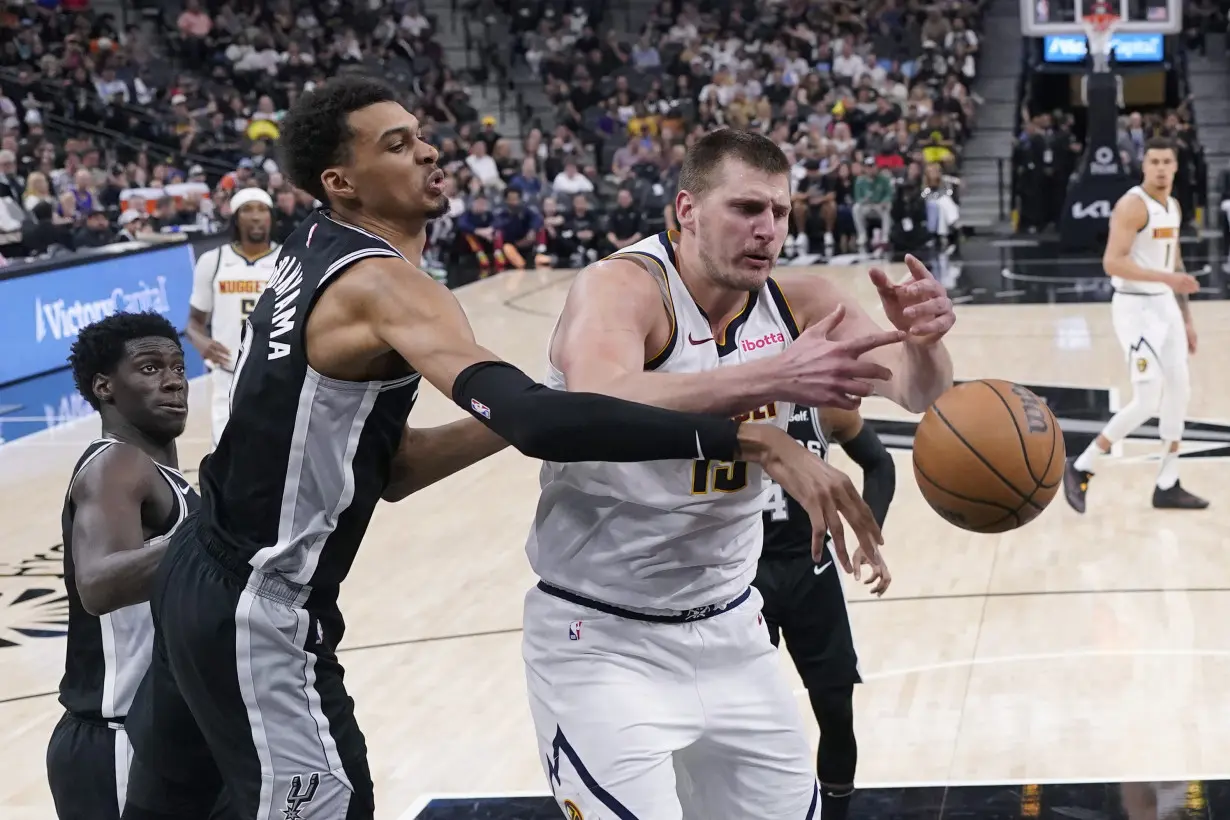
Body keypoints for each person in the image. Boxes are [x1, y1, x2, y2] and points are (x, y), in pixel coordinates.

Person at [119, 78, 900, 820]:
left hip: (198, 567)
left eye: (422, 137)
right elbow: (541, 426)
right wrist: (744, 432)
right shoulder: (387, 287)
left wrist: (543, 399)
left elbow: (391, 470)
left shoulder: (307, 249)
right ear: (342, 182)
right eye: (398, 145)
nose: (428, 152)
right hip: (262, 599)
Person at [522, 129, 955, 819]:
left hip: (733, 629)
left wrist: (926, 345)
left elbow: (916, 392)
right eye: (747, 209)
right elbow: (593, 400)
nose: (768, 231)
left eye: (780, 213)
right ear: (688, 210)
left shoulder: (799, 302)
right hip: (602, 637)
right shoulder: (625, 287)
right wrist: (767, 386)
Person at [47, 312, 225, 819]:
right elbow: (99, 583)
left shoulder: (169, 479)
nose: (172, 380)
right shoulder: (116, 463)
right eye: (149, 369)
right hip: (119, 738)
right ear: (105, 387)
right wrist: (227, 536)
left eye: (178, 367)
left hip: (166, 735)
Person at [754, 406, 896, 820]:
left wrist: (869, 538)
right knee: (748, 716)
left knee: (836, 710)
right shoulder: (727, 393)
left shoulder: (822, 407)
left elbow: (879, 463)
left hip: (810, 569)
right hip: (744, 574)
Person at [1063, 136, 1208, 512]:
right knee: (1146, 399)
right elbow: (1112, 262)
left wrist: (1187, 318)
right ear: (1144, 166)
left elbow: (1174, 264)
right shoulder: (1132, 205)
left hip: (1165, 309)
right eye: (1154, 161)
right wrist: (1168, 281)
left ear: (1175, 167)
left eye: (1167, 161)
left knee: (1180, 391)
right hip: (1134, 309)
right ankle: (1082, 466)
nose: (1160, 168)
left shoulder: (1172, 206)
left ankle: (1168, 482)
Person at [185, 187, 280, 447]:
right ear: (236, 218)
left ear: (271, 217)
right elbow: (193, 323)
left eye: (262, 210)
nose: (257, 217)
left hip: (277, 375)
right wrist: (201, 342)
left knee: (275, 457)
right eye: (248, 210)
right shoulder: (213, 261)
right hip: (228, 373)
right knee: (227, 454)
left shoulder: (288, 260)